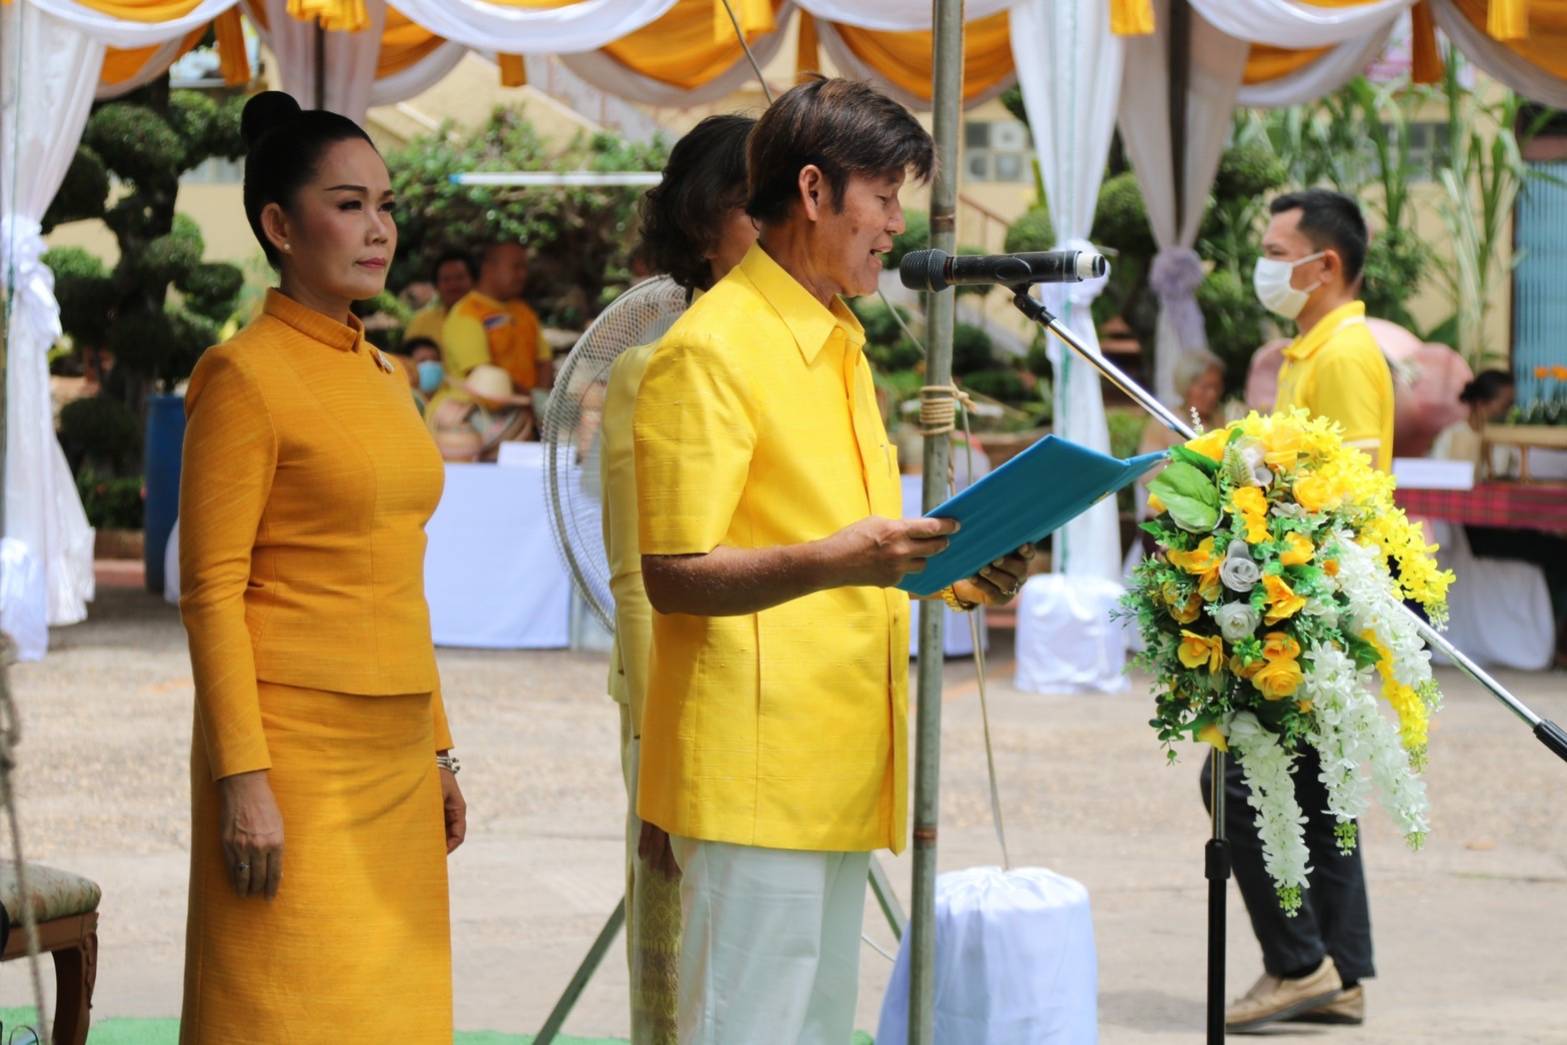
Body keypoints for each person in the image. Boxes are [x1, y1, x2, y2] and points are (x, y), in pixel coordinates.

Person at [632, 77, 1033, 1044]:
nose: (896, 224)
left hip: (839, 751)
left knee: (811, 1030)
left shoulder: (839, 337)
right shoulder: (711, 348)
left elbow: (851, 542)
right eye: (884, 197)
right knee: (745, 1029)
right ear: (813, 191)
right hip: (758, 765)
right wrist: (846, 557)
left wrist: (957, 565)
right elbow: (672, 573)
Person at [178, 91, 465, 1043]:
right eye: (348, 205)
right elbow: (210, 591)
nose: (378, 229)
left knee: (394, 1016)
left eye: (385, 206)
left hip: (397, 749)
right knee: (281, 1007)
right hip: (291, 754)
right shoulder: (242, 373)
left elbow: (401, 573)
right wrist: (241, 776)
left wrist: (439, 749)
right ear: (278, 225)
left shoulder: (388, 375)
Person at [1211, 188, 1393, 1034]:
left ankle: (1297, 963)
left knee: (1236, 778)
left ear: (1324, 265)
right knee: (1315, 787)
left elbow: (1343, 495)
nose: (1263, 265)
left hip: (1311, 604)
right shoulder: (1306, 350)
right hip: (1303, 596)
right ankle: (1340, 975)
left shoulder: (1345, 354)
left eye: (1275, 251)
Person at [601, 111, 758, 1045]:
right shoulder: (655, 365)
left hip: (789, 712)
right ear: (701, 224)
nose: (776, 229)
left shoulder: (823, 353)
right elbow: (638, 581)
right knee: (688, 971)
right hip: (686, 712)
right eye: (751, 208)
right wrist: (659, 766)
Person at [441, 241, 552, 395]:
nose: (522, 275)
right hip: (479, 407)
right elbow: (483, 376)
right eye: (516, 267)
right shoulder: (466, 313)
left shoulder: (523, 310)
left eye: (524, 268)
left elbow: (544, 360)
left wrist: (541, 397)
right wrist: (530, 399)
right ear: (489, 269)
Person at [1431, 368, 1519, 479]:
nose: (1510, 411)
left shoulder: (1504, 438)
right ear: (1480, 403)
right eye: (1505, 405)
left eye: (1512, 405)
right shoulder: (1451, 435)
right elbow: (1436, 475)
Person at [406, 250, 476, 350]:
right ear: (437, 286)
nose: (453, 285)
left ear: (474, 281)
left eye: (460, 278)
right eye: (446, 279)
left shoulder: (488, 318)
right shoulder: (421, 322)